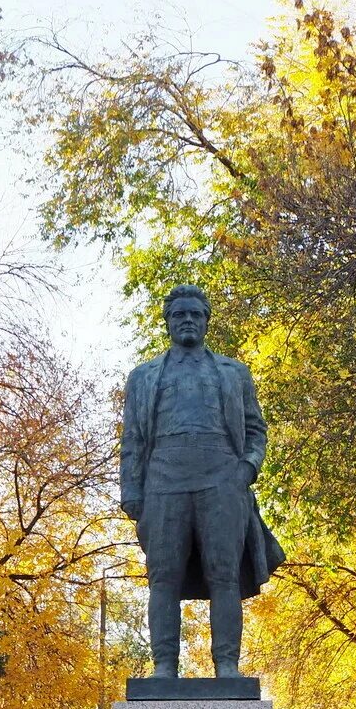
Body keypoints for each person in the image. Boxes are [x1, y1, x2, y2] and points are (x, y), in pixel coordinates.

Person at [120, 284, 285, 678]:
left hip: (221, 481)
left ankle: (226, 664)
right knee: (163, 576)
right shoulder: (143, 377)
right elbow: (132, 439)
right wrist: (132, 491)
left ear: (207, 320)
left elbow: (254, 429)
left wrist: (247, 468)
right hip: (163, 481)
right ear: (168, 322)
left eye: (195, 314)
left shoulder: (233, 372)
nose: (188, 321)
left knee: (223, 573)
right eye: (180, 315)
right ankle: (164, 665)